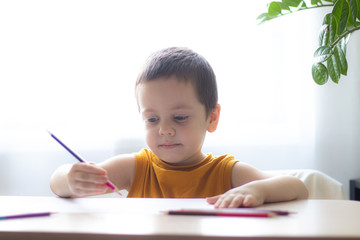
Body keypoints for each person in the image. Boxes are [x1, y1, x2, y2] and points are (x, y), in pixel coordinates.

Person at [50, 47, 308, 208]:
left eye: (180, 117)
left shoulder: (226, 173)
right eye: (152, 119)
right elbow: (56, 184)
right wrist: (70, 179)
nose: (165, 130)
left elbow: (297, 187)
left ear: (212, 118)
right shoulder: (135, 168)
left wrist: (256, 189)